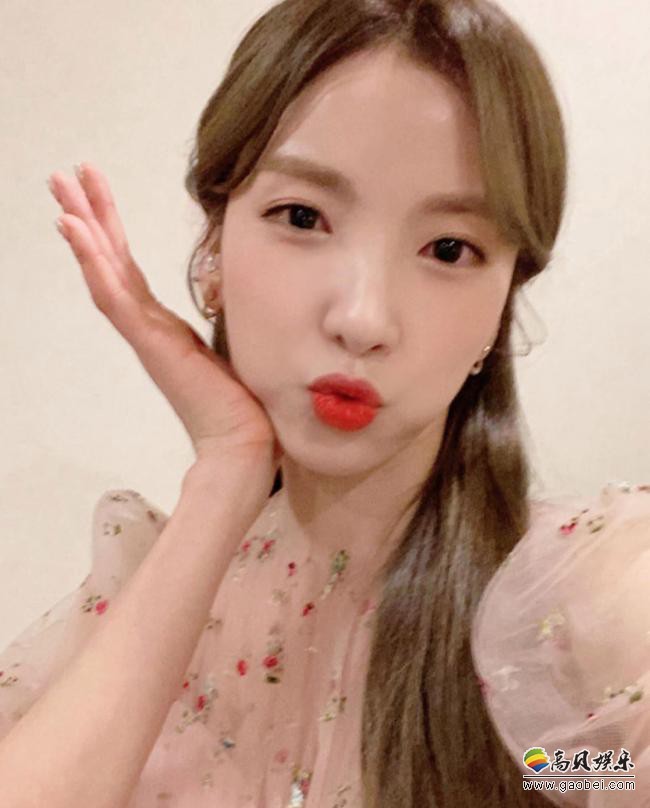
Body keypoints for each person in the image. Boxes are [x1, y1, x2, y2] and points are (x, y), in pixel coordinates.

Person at [0, 0, 648, 805]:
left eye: (449, 249)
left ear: (503, 300)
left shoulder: (581, 603)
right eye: (302, 217)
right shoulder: (146, 600)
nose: (363, 320)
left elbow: (596, 776)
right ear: (213, 248)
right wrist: (225, 472)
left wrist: (550, 772)